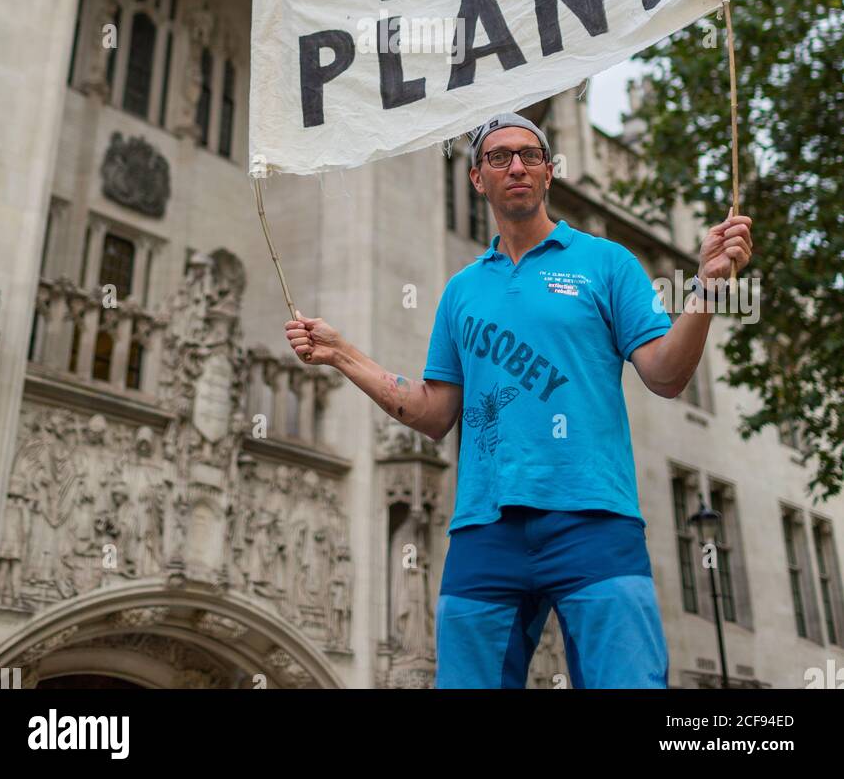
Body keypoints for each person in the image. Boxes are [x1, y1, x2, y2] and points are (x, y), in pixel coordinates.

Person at [284, 111, 753, 689]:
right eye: (499, 156)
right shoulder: (461, 291)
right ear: (476, 177)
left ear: (550, 172)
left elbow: (666, 376)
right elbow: (433, 414)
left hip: (594, 519)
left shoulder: (606, 263)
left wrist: (705, 288)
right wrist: (341, 353)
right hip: (485, 529)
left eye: (530, 155)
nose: (517, 167)